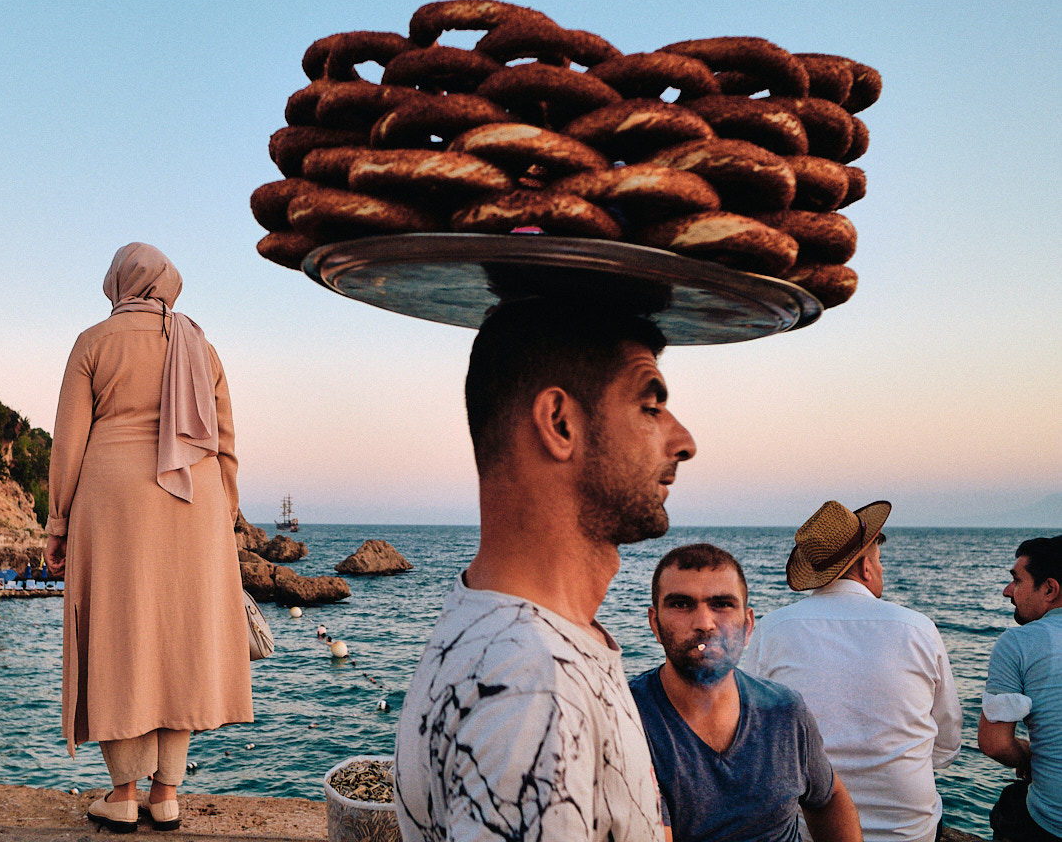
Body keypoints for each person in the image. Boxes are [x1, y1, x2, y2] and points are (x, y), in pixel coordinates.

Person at [393, 302, 695, 842]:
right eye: (650, 407)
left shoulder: (500, 627)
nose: (684, 441)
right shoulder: (531, 688)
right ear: (560, 423)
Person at [44, 243, 251, 833]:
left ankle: (121, 794)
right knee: (178, 641)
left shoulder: (93, 342)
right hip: (196, 501)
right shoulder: (200, 345)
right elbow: (227, 442)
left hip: (113, 502)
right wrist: (223, 517)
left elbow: (68, 443)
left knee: (119, 637)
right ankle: (166, 795)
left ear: (119, 282)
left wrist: (57, 522)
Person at [742, 500, 961, 842]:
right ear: (865, 567)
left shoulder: (771, 629)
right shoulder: (918, 628)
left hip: (809, 829)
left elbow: (750, 732)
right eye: (879, 560)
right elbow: (946, 746)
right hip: (910, 831)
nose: (882, 570)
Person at [631, 543, 860, 842]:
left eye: (722, 604)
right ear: (655, 624)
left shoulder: (785, 711)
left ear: (748, 625)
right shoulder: (628, 719)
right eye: (681, 604)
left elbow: (828, 798)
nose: (704, 623)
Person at [980, 535, 1062, 842]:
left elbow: (995, 744)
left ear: (1050, 589)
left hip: (1051, 824)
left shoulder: (1019, 642)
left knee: (1011, 804)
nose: (1007, 591)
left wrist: (1029, 755)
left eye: (1017, 580)